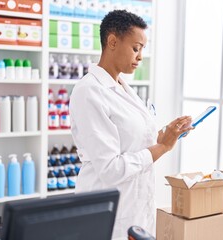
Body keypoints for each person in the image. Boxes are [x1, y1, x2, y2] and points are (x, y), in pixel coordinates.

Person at [69, 10, 193, 238]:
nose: (140, 56)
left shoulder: (123, 88)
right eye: (136, 48)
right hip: (109, 215)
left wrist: (166, 135)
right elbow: (110, 169)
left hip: (136, 209)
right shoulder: (89, 92)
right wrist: (162, 148)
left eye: (143, 49)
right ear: (112, 42)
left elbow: (133, 142)